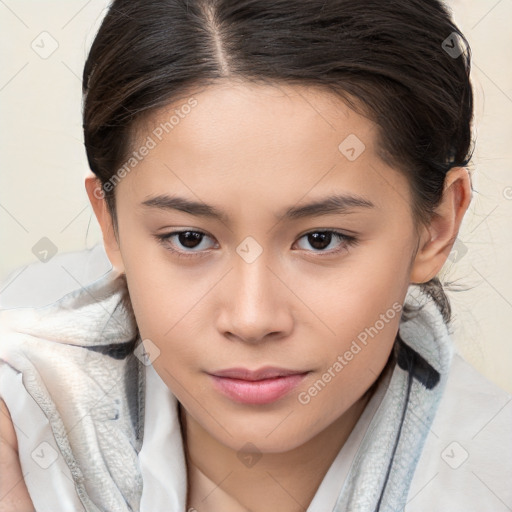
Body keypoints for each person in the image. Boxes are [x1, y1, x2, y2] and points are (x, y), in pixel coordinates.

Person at [1, 0, 511, 511]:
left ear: (436, 228)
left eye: (321, 239)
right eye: (190, 239)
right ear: (110, 224)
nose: (251, 319)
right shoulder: (21, 407)